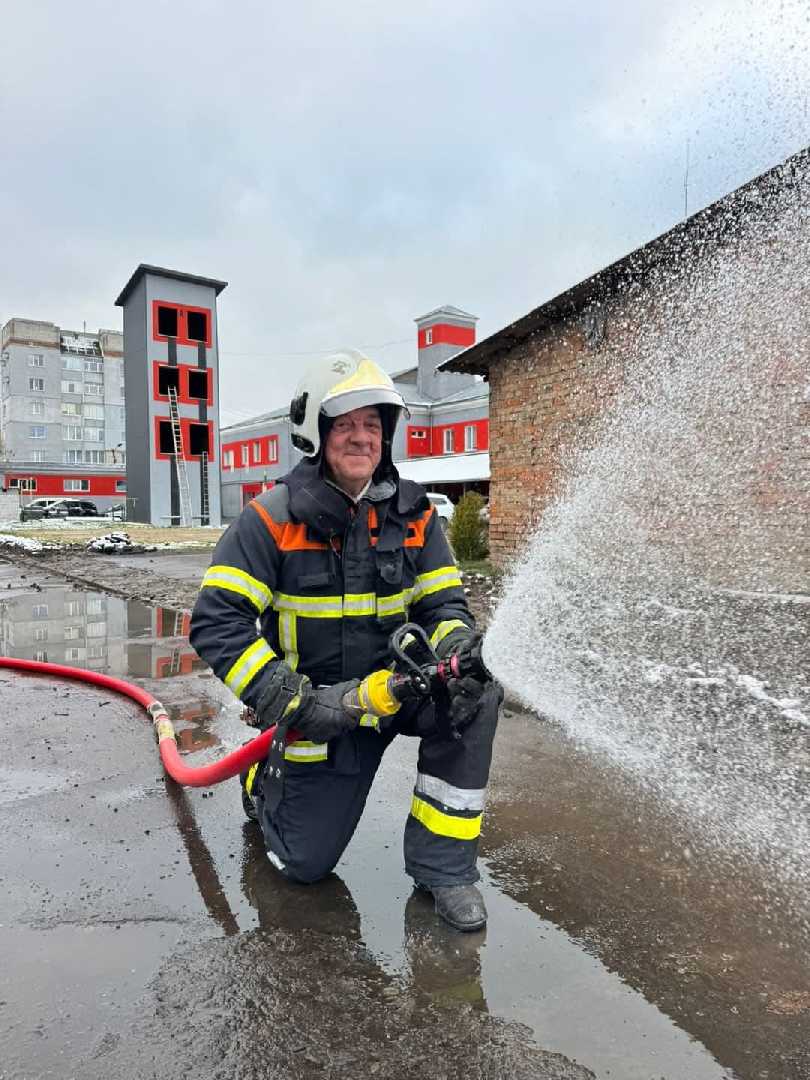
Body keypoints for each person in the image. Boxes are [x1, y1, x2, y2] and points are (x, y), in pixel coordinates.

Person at [190, 350, 501, 931]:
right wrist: (294, 700)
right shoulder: (269, 520)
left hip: (401, 692)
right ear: (315, 432)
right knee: (303, 865)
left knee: (479, 694)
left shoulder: (414, 517)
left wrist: (457, 651)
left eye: (373, 425)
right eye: (346, 424)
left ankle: (444, 869)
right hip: (321, 711)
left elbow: (442, 605)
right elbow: (218, 622)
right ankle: (262, 782)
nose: (362, 437)